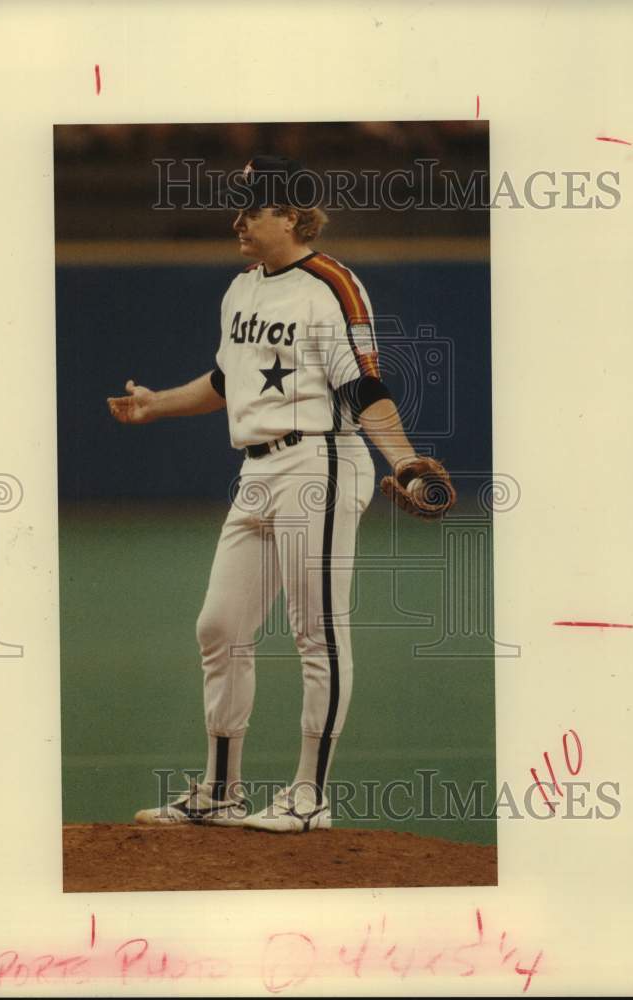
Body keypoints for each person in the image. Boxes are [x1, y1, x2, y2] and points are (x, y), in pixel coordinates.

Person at [107, 155, 420, 833]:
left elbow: (363, 386)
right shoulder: (242, 289)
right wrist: (157, 404)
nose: (239, 220)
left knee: (318, 632)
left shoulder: (329, 284)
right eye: (241, 206)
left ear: (292, 215)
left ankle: (310, 796)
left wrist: (406, 461)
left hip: (321, 462)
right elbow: (226, 381)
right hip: (256, 473)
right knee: (219, 627)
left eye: (255, 207)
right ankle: (221, 792)